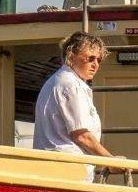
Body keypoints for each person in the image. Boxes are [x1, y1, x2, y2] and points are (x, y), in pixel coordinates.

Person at [33, 31, 121, 176]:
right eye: (90, 58)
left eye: (99, 60)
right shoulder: (70, 85)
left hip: (57, 169)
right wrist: (110, 161)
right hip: (68, 171)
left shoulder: (58, 81)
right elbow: (81, 136)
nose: (95, 65)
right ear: (71, 55)